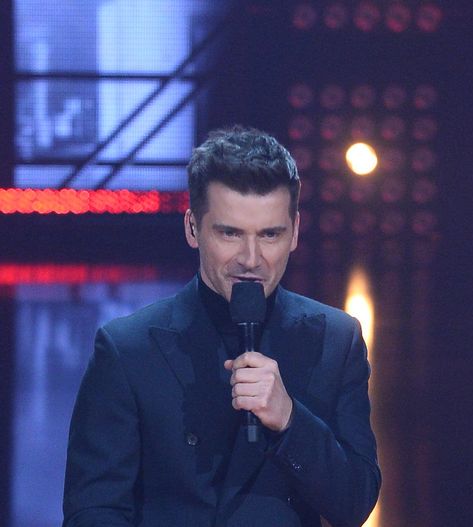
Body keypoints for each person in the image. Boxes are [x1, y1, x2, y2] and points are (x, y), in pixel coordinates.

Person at [63, 127, 380, 526]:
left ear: (295, 232)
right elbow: (94, 511)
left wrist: (289, 420)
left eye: (270, 234)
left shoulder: (335, 340)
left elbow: (354, 504)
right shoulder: (127, 350)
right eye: (230, 233)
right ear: (192, 228)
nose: (251, 258)